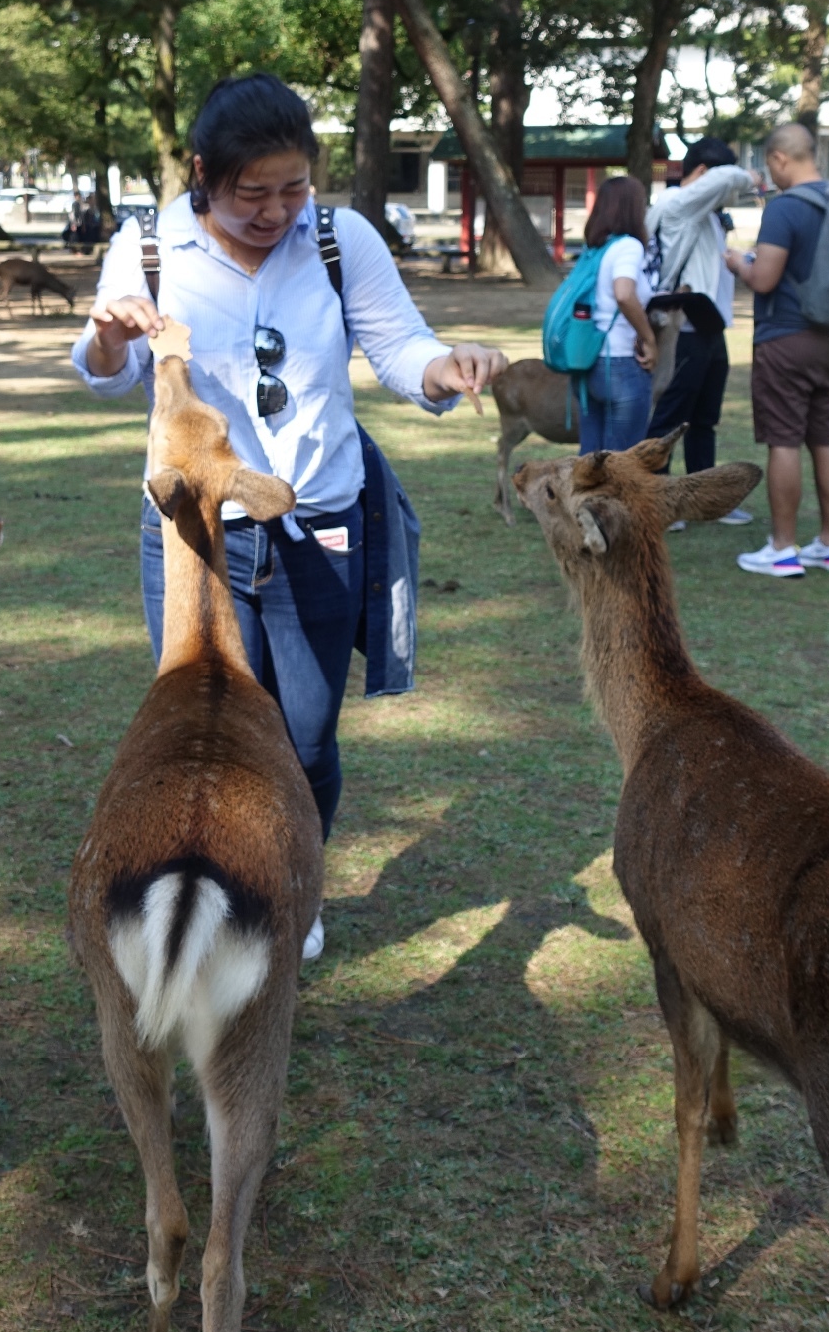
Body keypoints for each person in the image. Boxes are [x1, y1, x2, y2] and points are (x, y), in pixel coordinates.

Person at [71, 72, 508, 963]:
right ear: (202, 174)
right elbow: (105, 369)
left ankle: (291, 891)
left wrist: (445, 367)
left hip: (320, 524)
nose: (276, 211)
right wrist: (111, 336)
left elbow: (397, 347)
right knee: (203, 735)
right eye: (252, 192)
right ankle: (221, 894)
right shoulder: (149, 246)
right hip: (196, 536)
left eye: (294, 187)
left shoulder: (340, 238)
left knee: (302, 739)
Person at [726, 122, 829, 577]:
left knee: (784, 439)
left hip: (784, 336)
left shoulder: (785, 210)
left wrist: (739, 263)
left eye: (769, 164)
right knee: (826, 437)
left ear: (781, 159)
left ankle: (782, 548)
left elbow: (765, 279)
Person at [644, 136, 758, 527]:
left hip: (711, 327)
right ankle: (659, 501)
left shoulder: (707, 211)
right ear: (705, 173)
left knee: (704, 419)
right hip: (684, 329)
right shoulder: (677, 204)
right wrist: (753, 174)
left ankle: (704, 501)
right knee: (670, 418)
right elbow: (728, 177)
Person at [579, 175, 657, 452]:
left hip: (591, 362)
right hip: (621, 364)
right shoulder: (628, 246)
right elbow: (624, 293)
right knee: (622, 466)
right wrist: (648, 338)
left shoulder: (595, 248)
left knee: (590, 464)